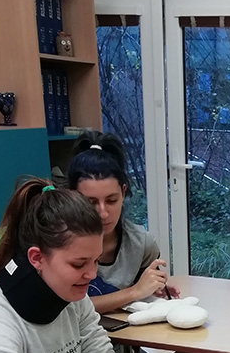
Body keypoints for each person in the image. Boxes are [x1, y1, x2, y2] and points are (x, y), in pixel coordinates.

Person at [0, 179, 176, 353]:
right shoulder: (0, 318)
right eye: (79, 264)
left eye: (95, 260)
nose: (91, 274)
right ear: (36, 258)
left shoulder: (72, 294)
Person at [67, 130, 179, 314]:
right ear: (73, 197)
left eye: (111, 200)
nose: (103, 213)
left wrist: (152, 291)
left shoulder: (141, 243)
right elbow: (67, 309)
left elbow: (141, 292)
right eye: (91, 203)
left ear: (123, 192)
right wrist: (134, 292)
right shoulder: (58, 244)